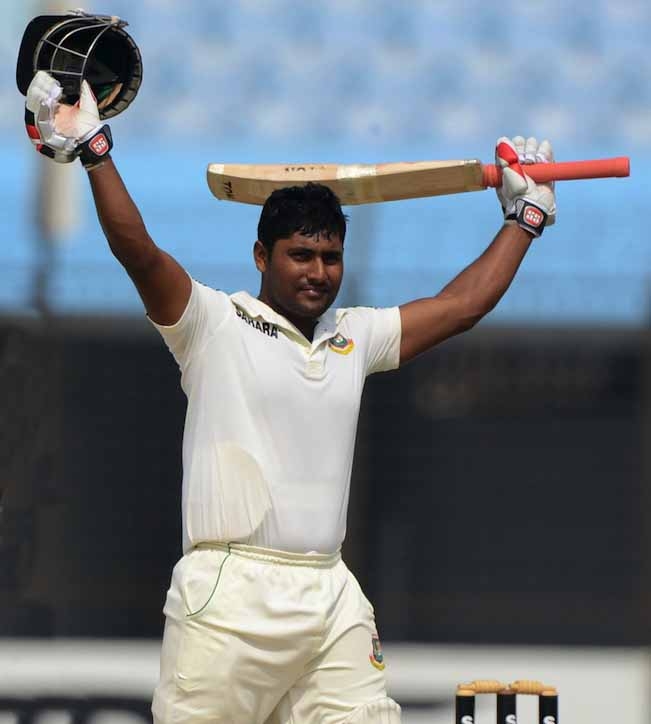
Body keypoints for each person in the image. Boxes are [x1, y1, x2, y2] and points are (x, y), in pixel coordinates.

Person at [24, 71, 555, 724]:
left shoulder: (353, 335)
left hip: (328, 594)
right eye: (300, 255)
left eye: (330, 257)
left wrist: (523, 218)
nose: (317, 273)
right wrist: (96, 150)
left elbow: (460, 306)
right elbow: (138, 252)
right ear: (260, 255)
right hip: (228, 597)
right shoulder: (211, 325)